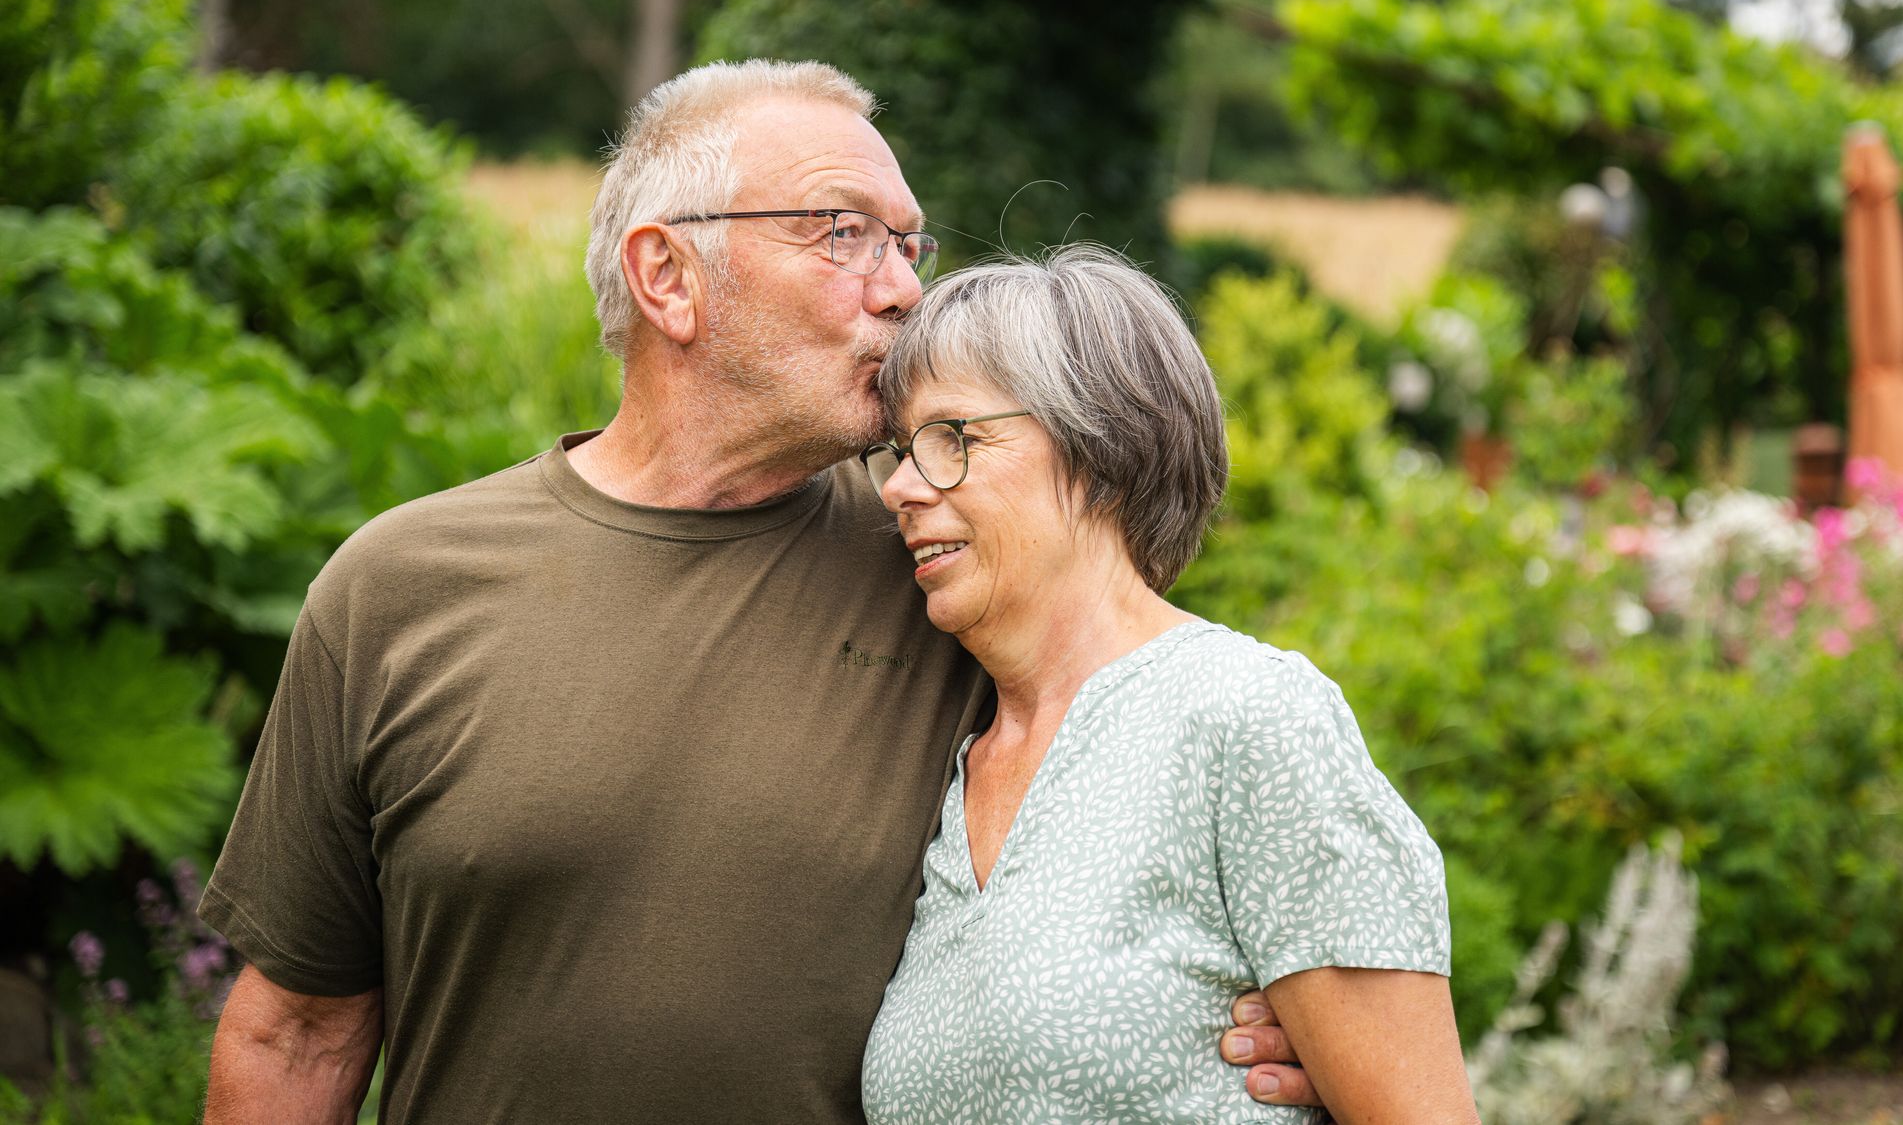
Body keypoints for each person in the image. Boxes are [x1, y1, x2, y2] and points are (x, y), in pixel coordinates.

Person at [197, 60, 1315, 1123]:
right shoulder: (398, 589)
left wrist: (1263, 1013)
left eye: (907, 243)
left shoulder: (945, 560)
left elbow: (1176, 749)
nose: (903, 289)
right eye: (843, 234)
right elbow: (294, 1036)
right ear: (667, 275)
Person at [858, 246, 1479, 1123]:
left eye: (953, 439)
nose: (902, 490)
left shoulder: (1247, 717)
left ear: (1099, 447)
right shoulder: (949, 759)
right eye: (900, 452)